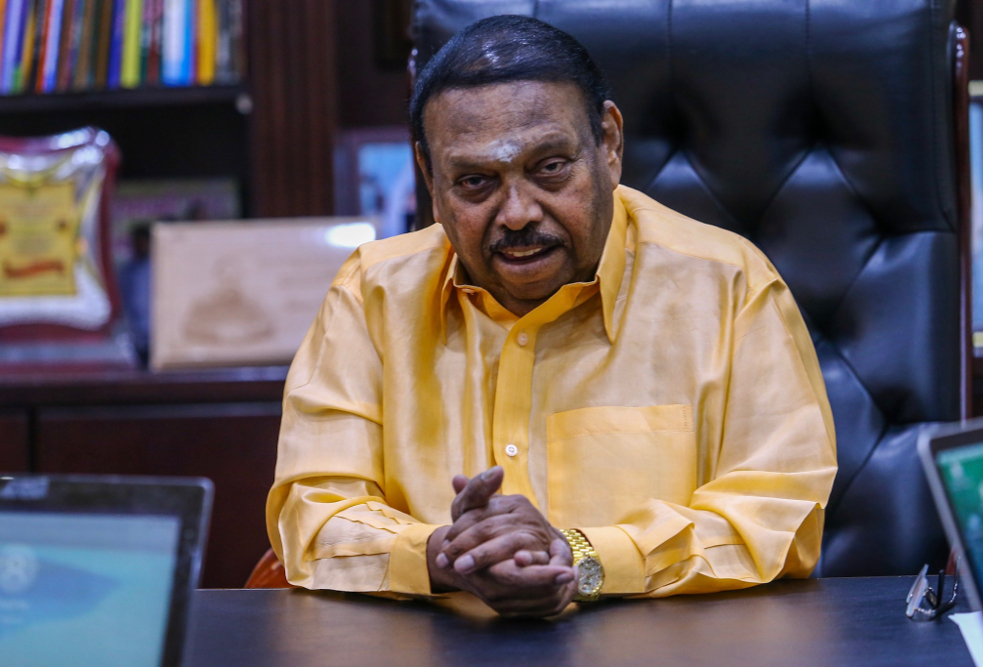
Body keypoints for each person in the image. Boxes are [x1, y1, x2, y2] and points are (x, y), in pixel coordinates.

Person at [266, 15, 837, 618]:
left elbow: (777, 512)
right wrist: (440, 556)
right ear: (431, 179)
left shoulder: (728, 284)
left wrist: (578, 557)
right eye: (476, 182)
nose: (516, 213)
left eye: (549, 168)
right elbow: (313, 508)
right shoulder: (373, 294)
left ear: (609, 145)